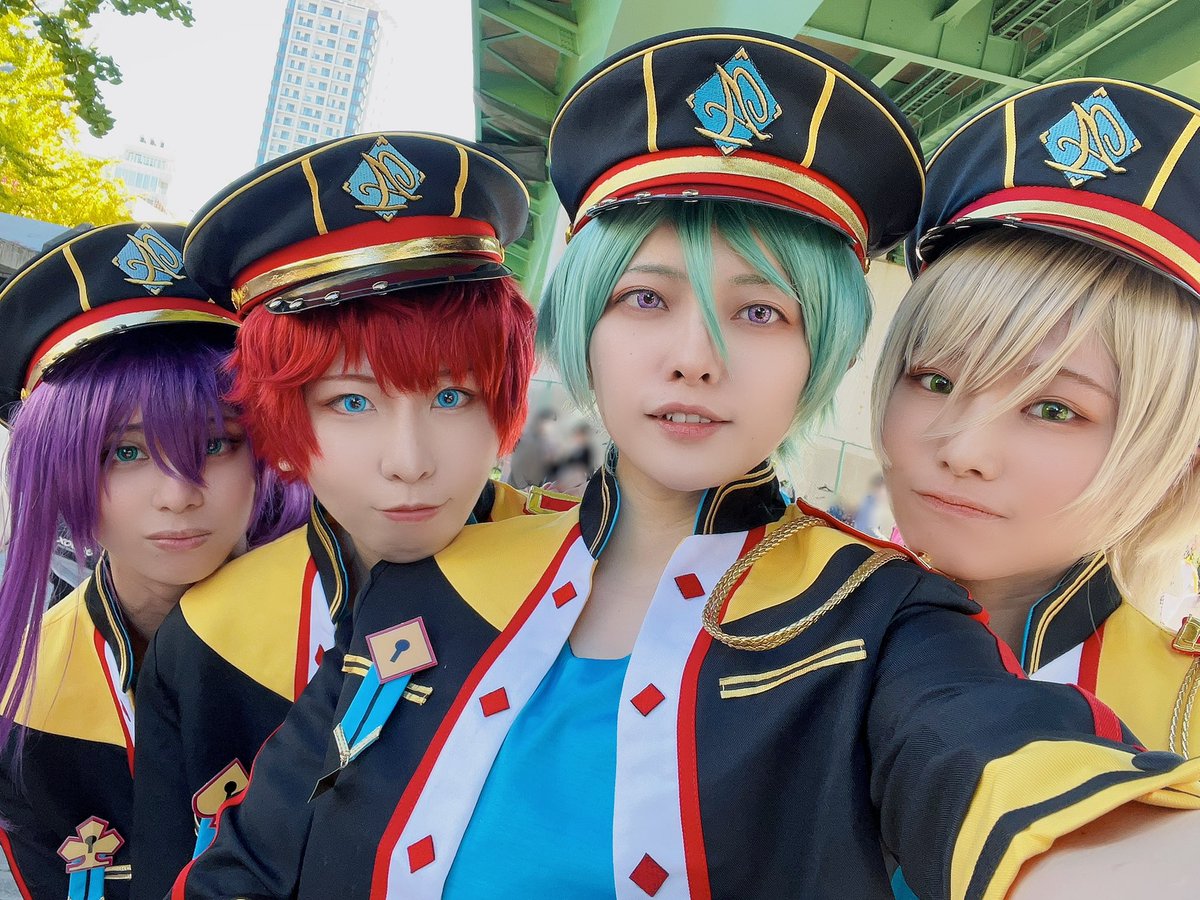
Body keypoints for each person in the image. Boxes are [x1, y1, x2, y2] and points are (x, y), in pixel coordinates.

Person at [177, 32, 1200, 899]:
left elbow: (994, 760)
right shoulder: (432, 577)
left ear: (823, 354)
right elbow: (250, 864)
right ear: (584, 323)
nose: (695, 357)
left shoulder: (884, 617)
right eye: (646, 299)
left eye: (761, 312)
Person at [130, 131, 567, 899]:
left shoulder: (588, 576)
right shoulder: (210, 636)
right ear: (283, 424)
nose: (410, 460)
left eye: (452, 395)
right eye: (352, 402)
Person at [876, 78, 1200, 755]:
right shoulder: (751, 639)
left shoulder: (1185, 728)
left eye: (1054, 409)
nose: (964, 449)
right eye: (935, 379)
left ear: (1179, 451)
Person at [0, 223, 306, 899]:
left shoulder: (346, 632)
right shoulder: (26, 696)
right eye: (127, 452)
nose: (178, 495)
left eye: (216, 443)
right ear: (56, 465)